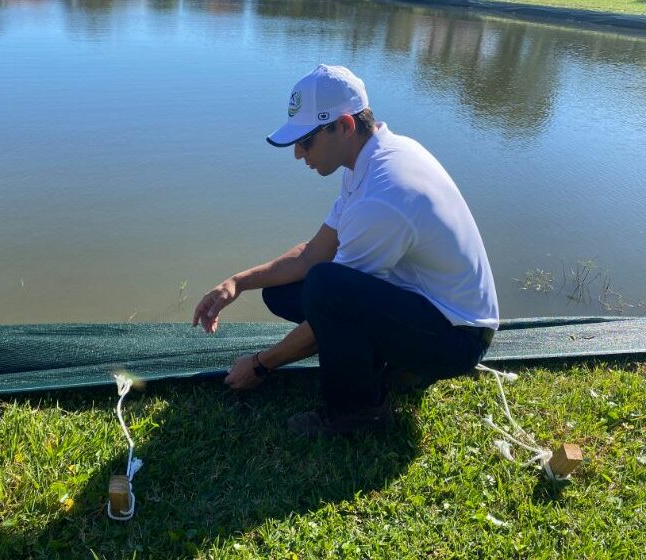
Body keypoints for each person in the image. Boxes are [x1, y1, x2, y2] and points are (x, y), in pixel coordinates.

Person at [192, 64, 499, 437]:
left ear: (345, 126)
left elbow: (332, 298)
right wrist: (238, 283)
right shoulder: (367, 161)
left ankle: (359, 414)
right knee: (284, 290)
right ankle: (390, 364)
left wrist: (259, 365)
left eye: (306, 141)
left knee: (325, 288)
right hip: (427, 307)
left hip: (457, 338)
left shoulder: (385, 193)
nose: (298, 154)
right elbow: (311, 253)